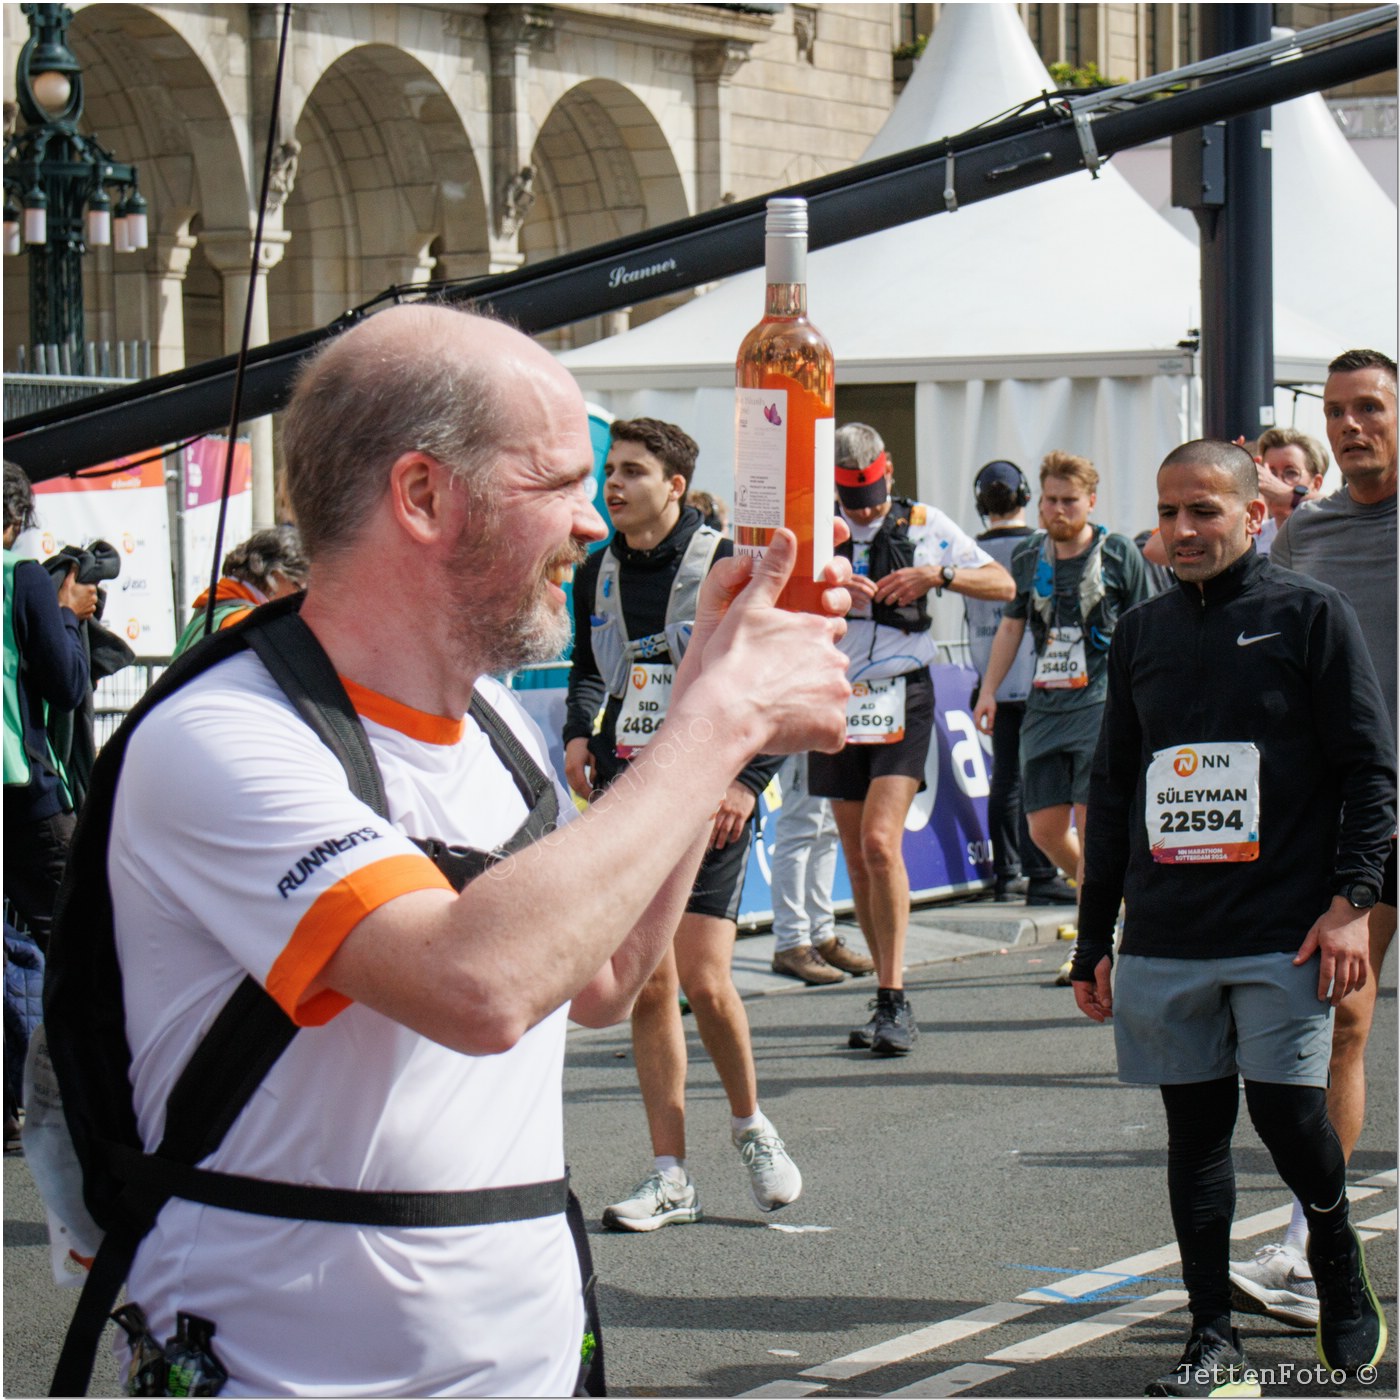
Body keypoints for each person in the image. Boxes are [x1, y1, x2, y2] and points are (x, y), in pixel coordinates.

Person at [91, 306, 853, 1396]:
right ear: (423, 495)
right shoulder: (222, 736)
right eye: (555, 484)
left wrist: (695, 690)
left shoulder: (497, 728)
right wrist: (720, 721)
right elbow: (475, 982)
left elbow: (594, 978)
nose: (592, 522)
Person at [1073, 439, 1394, 1395]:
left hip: (1283, 924)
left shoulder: (1310, 613)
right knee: (1195, 1133)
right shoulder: (1142, 631)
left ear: (1254, 515)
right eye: (1169, 512)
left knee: (1290, 1114)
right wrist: (1096, 939)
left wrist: (1351, 903)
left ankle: (1336, 1252)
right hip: (1171, 929)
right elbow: (1115, 782)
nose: (1182, 531)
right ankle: (1213, 1337)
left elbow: (1369, 769)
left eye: (1204, 511)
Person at [563, 417, 805, 1230]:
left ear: (674, 485)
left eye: (632, 470)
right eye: (610, 469)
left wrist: (746, 781)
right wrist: (579, 728)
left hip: (712, 794)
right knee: (647, 981)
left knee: (704, 980)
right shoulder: (595, 568)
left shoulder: (729, 562)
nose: (614, 484)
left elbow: (772, 679)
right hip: (634, 790)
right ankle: (671, 1174)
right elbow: (587, 666)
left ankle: (750, 1126)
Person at [1230, 349, 1398, 1329]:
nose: (1349, 425)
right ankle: (1307, 1248)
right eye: (1335, 410)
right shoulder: (1306, 539)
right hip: (1356, 819)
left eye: (1368, 406)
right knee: (1336, 1018)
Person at [809, 424, 1013, 1055]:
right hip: (836, 692)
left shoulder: (925, 521)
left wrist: (935, 576)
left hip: (904, 690)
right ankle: (882, 996)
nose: (864, 511)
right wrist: (833, 595)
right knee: (856, 852)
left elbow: (1004, 585)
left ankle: (896, 996)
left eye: (871, 496)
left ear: (887, 469)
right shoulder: (820, 526)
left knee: (879, 840)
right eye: (851, 498)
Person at [973, 450, 1151, 983]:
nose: (1057, 509)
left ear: (1090, 501)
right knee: (1046, 830)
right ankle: (1118, 902)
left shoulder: (1117, 552)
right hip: (1044, 706)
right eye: (1050, 500)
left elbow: (1146, 625)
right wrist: (988, 690)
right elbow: (1011, 625)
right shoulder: (1030, 555)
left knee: (1091, 825)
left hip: (1102, 706)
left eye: (1069, 500)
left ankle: (1092, 944)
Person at [2, 461, 97, 954]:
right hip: (24, 800)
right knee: (79, 945)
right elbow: (67, 684)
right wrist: (67, 612)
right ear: (13, 520)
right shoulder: (22, 579)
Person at [963, 460, 1068, 905]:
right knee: (1041, 779)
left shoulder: (967, 552)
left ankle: (1007, 873)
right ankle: (1042, 870)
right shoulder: (1044, 547)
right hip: (1043, 676)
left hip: (994, 678)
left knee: (1005, 778)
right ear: (1028, 497)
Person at [767, 752, 873, 983]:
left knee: (826, 830)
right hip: (802, 726)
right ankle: (791, 943)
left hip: (831, 729)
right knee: (799, 828)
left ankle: (821, 936)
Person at [171, 524, 309, 657]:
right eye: (299, 588)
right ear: (276, 577)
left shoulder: (213, 606)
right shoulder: (245, 623)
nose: (302, 599)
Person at [1253, 427, 1329, 556]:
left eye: (1291, 473)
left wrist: (1288, 495)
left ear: (1316, 484)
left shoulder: (1331, 533)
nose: (1274, 481)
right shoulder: (1252, 538)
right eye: (1269, 473)